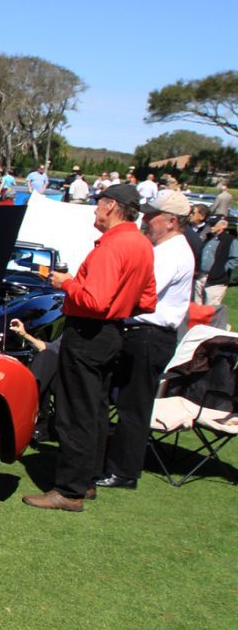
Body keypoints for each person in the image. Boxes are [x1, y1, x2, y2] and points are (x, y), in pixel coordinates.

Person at [22, 183, 156, 513]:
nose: (95, 211)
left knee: (75, 411)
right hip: (112, 333)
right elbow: (148, 300)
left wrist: (65, 283)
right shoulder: (141, 244)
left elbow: (95, 300)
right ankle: (88, 478)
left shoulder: (113, 246)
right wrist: (118, 309)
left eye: (98, 205)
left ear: (110, 206)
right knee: (95, 409)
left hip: (88, 332)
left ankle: (69, 490)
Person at [95, 190, 196, 491]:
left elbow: (142, 291)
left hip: (150, 334)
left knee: (133, 406)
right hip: (144, 333)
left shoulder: (173, 253)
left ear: (171, 221)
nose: (146, 220)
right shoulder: (169, 249)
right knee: (128, 401)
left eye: (153, 216)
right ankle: (118, 464)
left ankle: (124, 471)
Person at [193, 215, 236, 307]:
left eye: (213, 224)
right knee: (197, 305)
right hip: (201, 276)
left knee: (211, 307)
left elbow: (235, 258)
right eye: (209, 224)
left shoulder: (230, 240)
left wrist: (223, 270)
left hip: (216, 279)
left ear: (223, 226)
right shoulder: (208, 237)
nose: (210, 226)